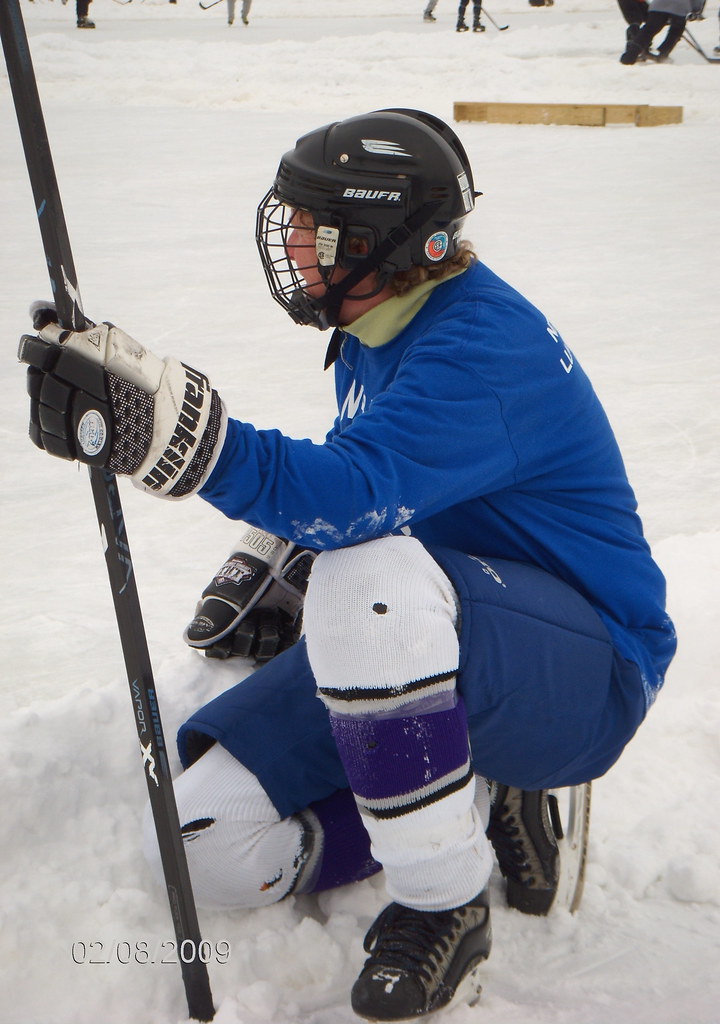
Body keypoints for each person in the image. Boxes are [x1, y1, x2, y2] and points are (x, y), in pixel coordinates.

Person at [18, 108, 676, 1022]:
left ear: (378, 240)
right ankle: (462, 788)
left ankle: (443, 901)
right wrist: (278, 560)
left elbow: (354, 491)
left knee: (366, 585)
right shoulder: (376, 334)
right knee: (206, 842)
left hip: (587, 662)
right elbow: (375, 481)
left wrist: (169, 432)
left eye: (310, 223)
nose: (286, 237)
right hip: (445, 624)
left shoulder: (484, 349)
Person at [620, 0, 703, 62]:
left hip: (658, 5)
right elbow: (696, 4)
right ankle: (663, 54)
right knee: (675, 31)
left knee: (648, 30)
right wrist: (696, 12)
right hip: (679, 7)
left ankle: (630, 56)